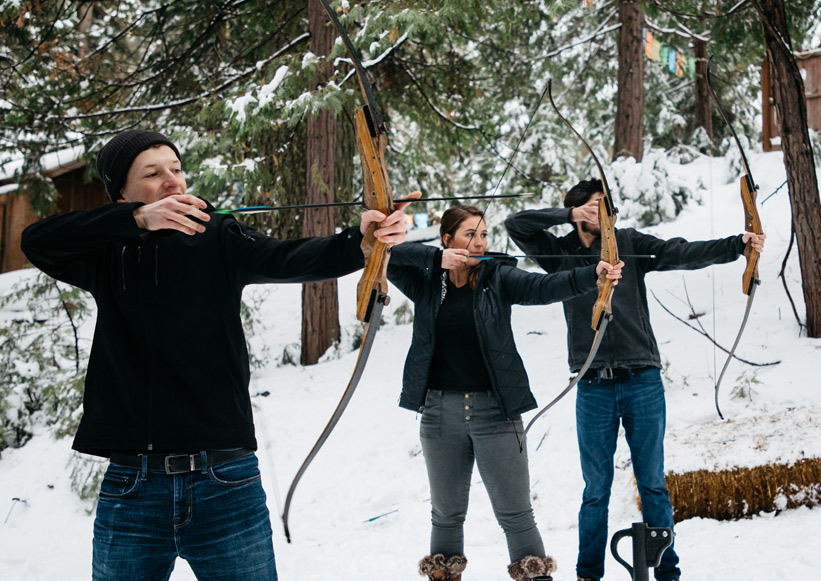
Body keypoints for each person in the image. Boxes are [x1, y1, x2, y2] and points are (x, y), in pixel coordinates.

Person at [20, 129, 413, 581]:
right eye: (152, 174)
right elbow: (37, 240)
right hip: (132, 485)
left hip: (225, 481)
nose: (172, 181)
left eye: (176, 169)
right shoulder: (105, 253)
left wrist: (363, 241)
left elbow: (292, 258)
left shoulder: (217, 235)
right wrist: (138, 221)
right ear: (123, 194)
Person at [504, 179, 767, 581]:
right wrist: (570, 215)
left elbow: (680, 252)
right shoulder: (561, 252)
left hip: (641, 378)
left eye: (607, 207)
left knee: (653, 484)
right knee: (596, 490)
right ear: (578, 212)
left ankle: (666, 574)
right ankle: (588, 574)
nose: (604, 214)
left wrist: (738, 244)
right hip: (592, 383)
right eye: (595, 207)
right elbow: (516, 224)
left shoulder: (627, 241)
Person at [386, 205, 623, 581]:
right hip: (438, 414)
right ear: (447, 240)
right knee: (446, 514)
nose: (480, 242)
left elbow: (544, 287)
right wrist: (435, 259)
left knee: (516, 514)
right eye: (469, 234)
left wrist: (592, 275)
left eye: (483, 235)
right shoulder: (427, 280)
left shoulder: (497, 276)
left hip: (496, 412)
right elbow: (387, 255)